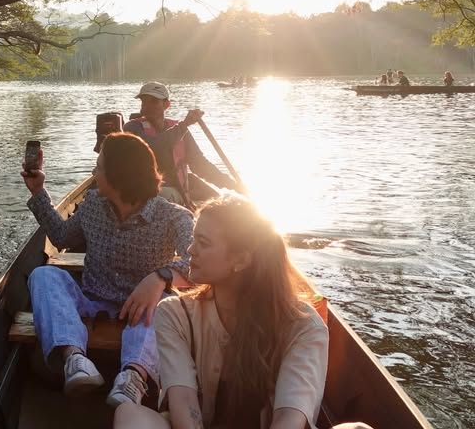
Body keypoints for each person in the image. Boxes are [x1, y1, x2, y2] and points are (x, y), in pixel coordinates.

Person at [114, 194, 332, 429]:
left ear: (241, 260)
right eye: (193, 239)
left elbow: (289, 419)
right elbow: (184, 401)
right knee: (130, 415)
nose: (190, 250)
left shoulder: (303, 325)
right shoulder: (175, 314)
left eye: (203, 243)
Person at [23, 132, 194, 409]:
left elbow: (198, 266)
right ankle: (75, 360)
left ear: (119, 175)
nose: (94, 172)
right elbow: (62, 238)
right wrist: (37, 191)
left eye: (100, 167)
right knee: (43, 275)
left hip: (142, 311)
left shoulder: (174, 216)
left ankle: (133, 378)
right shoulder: (93, 204)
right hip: (91, 300)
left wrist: (160, 277)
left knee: (167, 305)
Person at [123, 82, 240, 208]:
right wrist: (185, 124)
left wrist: (233, 185)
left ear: (166, 105)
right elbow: (153, 146)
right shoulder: (132, 127)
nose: (147, 105)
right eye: (144, 101)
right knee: (165, 194)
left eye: (154, 101)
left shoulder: (180, 130)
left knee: (223, 202)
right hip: (148, 193)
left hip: (179, 188)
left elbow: (200, 165)